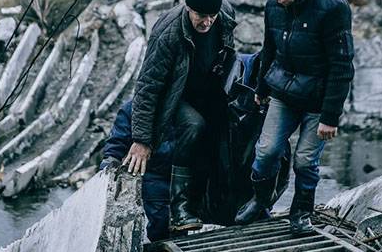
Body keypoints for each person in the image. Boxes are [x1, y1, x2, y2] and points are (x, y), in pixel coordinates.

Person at [103, 53, 291, 241]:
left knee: (190, 217)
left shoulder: (198, 104)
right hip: (156, 176)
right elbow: (117, 142)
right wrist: (109, 162)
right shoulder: (137, 108)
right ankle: (163, 251)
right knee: (161, 225)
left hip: (192, 176)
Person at [235, 0, 355, 234]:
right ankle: (260, 201)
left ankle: (300, 213)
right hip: (284, 92)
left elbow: (342, 65)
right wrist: (261, 88)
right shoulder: (273, 6)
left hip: (318, 99)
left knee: (304, 159)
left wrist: (331, 116)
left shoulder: (333, 6)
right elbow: (269, 49)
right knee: (265, 152)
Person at [124, 0, 238, 234]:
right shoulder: (168, 33)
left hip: (208, 86)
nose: (207, 22)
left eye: (212, 16)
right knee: (194, 125)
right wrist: (141, 140)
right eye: (200, 16)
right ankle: (180, 208)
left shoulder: (226, 14)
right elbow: (148, 86)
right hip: (176, 93)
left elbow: (230, 51)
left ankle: (221, 204)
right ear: (188, 7)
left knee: (228, 128)